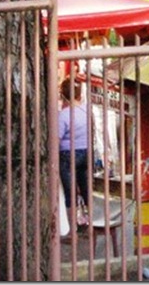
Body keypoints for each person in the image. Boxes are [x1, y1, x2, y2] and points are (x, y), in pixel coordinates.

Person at [58, 78, 91, 227]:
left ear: (63, 94)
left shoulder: (64, 115)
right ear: (79, 94)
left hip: (67, 154)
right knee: (85, 188)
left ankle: (73, 228)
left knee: (69, 192)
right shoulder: (86, 111)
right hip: (86, 153)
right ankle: (90, 221)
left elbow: (56, 138)